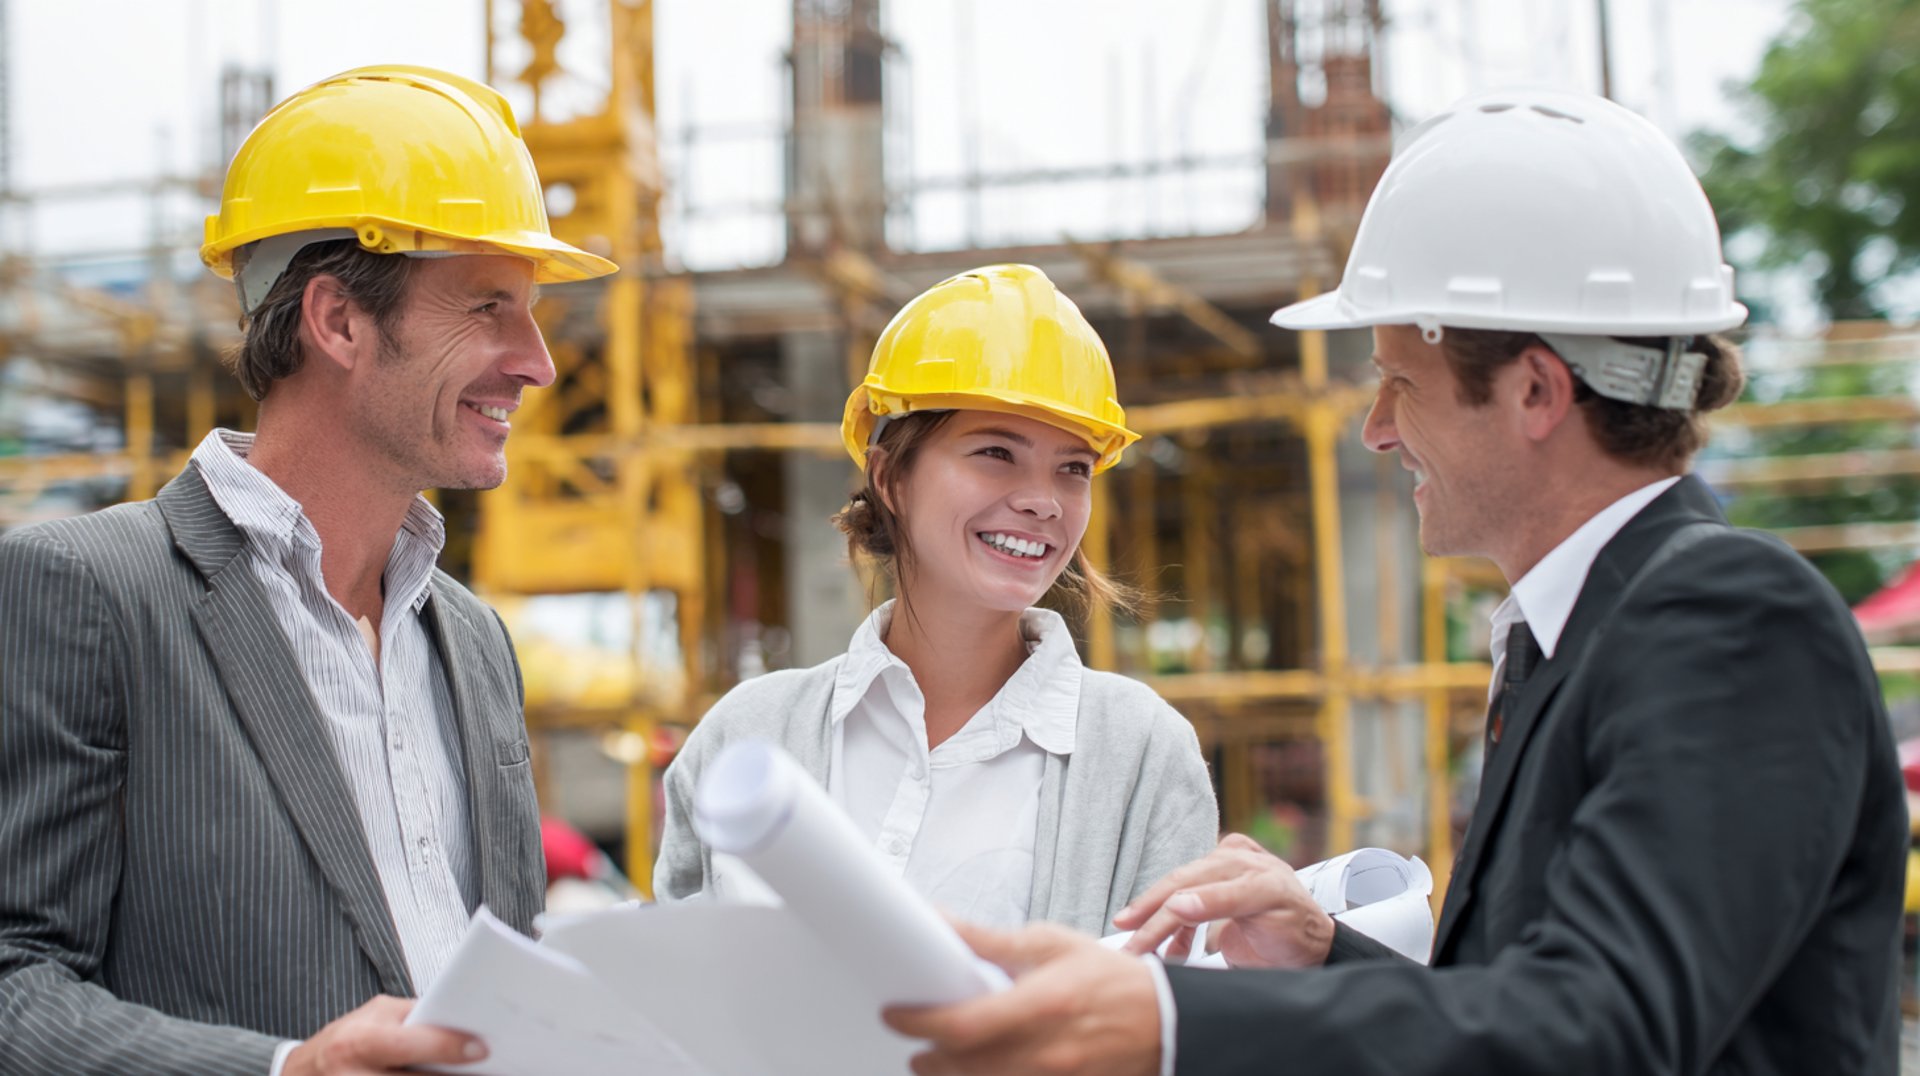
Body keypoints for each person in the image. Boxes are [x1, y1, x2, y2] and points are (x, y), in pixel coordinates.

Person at [885, 87, 1906, 1075]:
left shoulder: (1728, 619)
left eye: (1399, 383)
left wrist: (1169, 1018)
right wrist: (1323, 951)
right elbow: (1529, 1005)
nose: (1375, 427)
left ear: (1536, 390)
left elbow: (1607, 1030)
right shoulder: (1586, 631)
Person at [0, 66, 617, 1075]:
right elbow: (11, 983)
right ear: (337, 321)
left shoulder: (471, 639)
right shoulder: (88, 594)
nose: (538, 360)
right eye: (489, 306)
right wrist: (285, 1067)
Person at [656, 264, 1218, 934]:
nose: (1044, 499)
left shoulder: (1141, 752)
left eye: (1073, 468)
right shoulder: (749, 734)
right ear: (890, 476)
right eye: (995, 453)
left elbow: (1169, 1013)